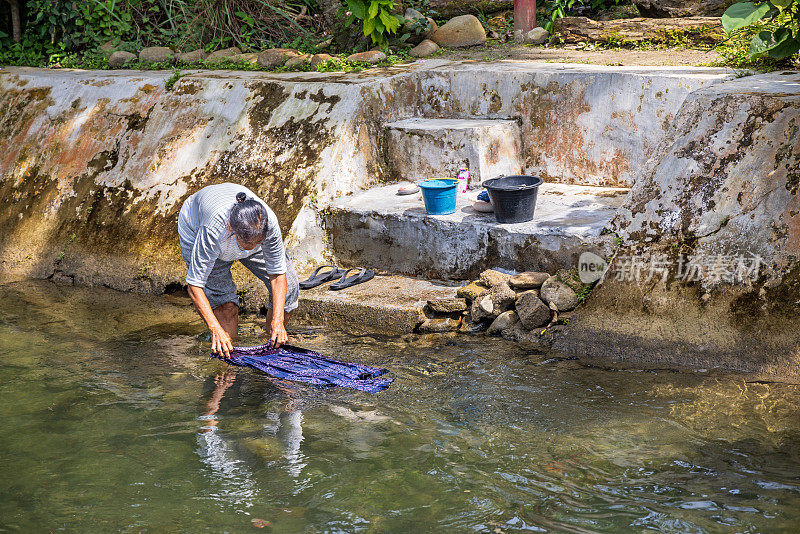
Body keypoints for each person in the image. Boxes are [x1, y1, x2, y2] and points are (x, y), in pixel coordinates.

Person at [178, 183, 300, 358]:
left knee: (290, 288)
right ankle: (229, 354)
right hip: (197, 228)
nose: (253, 248)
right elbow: (194, 285)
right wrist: (215, 329)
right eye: (249, 245)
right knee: (225, 306)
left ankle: (272, 345)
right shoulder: (212, 230)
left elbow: (278, 274)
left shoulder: (267, 223)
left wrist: (278, 320)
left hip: (248, 233)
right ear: (231, 229)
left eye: (259, 243)